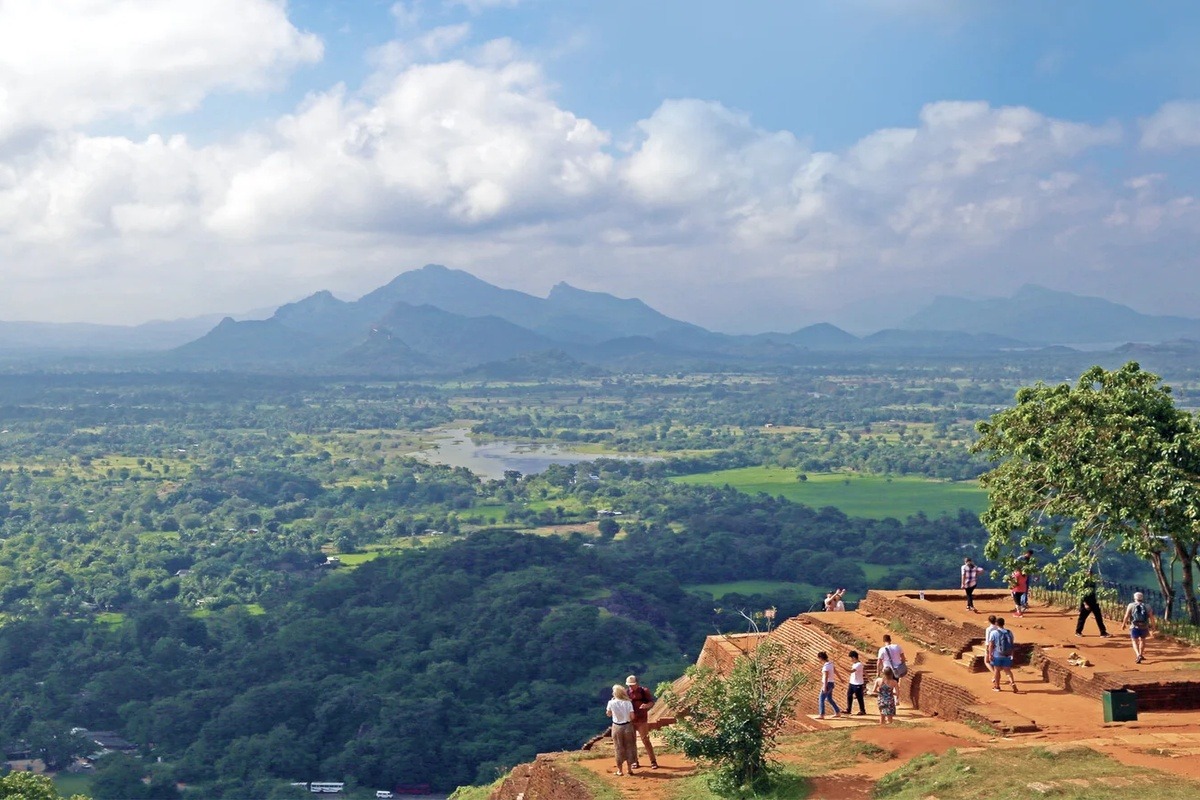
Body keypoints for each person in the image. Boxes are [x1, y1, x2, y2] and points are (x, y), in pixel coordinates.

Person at [624, 675, 658, 770]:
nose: (631, 686)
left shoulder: (644, 691)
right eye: (629, 685)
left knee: (645, 740)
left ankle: (653, 761)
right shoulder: (626, 693)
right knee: (632, 742)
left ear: (637, 684)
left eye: (632, 685)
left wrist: (646, 706)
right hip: (631, 721)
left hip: (642, 720)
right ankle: (635, 761)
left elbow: (651, 702)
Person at [606, 684, 636, 776]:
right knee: (630, 746)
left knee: (618, 747)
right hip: (628, 726)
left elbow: (608, 714)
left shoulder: (611, 703)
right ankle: (629, 769)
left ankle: (620, 770)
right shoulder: (628, 703)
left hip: (617, 727)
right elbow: (632, 716)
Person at [1122, 591, 1155, 664]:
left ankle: (1138, 655)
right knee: (1142, 640)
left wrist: (1123, 624)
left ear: (1134, 598)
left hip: (1134, 626)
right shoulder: (1147, 606)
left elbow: (1126, 615)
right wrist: (1153, 626)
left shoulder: (1131, 605)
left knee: (1134, 641)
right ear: (1142, 598)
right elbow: (1151, 617)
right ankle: (1141, 654)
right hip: (1144, 626)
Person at [987, 617, 1018, 692]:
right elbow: (1012, 643)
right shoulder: (1009, 632)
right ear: (1003, 623)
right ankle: (1012, 682)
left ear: (996, 623)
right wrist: (1012, 653)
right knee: (1007, 670)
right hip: (1007, 654)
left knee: (997, 670)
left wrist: (990, 654)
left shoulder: (994, 632)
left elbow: (991, 645)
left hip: (997, 654)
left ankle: (997, 686)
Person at [1075, 571, 1110, 637]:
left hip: (1094, 602)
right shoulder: (1083, 583)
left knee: (1099, 617)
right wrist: (1085, 604)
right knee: (1082, 617)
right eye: (1089, 574)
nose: (1090, 575)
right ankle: (1078, 632)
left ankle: (1103, 632)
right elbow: (1081, 594)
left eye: (1091, 574)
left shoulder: (1093, 583)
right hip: (1086, 603)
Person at [816, 651, 842, 719]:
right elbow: (835, 671)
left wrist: (824, 687)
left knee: (821, 698)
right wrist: (841, 679)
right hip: (831, 683)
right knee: (829, 699)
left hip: (827, 684)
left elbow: (826, 677)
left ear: (821, 658)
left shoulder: (826, 666)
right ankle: (837, 712)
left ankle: (822, 714)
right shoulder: (830, 663)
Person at [846, 650, 867, 715]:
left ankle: (862, 710)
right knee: (849, 695)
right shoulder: (855, 664)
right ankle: (848, 709)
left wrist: (842, 667)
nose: (851, 660)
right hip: (852, 683)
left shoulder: (858, 665)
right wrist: (868, 677)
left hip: (858, 684)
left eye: (851, 658)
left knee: (859, 697)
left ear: (854, 657)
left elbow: (851, 671)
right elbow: (863, 671)